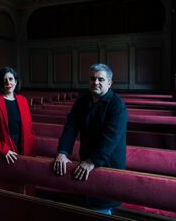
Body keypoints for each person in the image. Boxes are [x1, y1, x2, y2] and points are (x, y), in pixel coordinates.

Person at [52, 63, 128, 215]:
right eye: (92, 79)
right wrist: (63, 152)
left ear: (109, 83)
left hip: (107, 162)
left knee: (102, 208)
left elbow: (110, 138)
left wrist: (92, 161)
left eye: (101, 79)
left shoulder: (117, 105)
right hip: (86, 159)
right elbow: (71, 127)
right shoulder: (82, 101)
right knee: (85, 205)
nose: (96, 82)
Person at [0, 66, 35, 164]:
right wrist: (3, 149)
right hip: (4, 146)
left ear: (15, 81)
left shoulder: (23, 100)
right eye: (5, 80)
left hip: (23, 145)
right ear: (1, 84)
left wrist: (30, 151)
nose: (8, 82)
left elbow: (29, 128)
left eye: (11, 79)